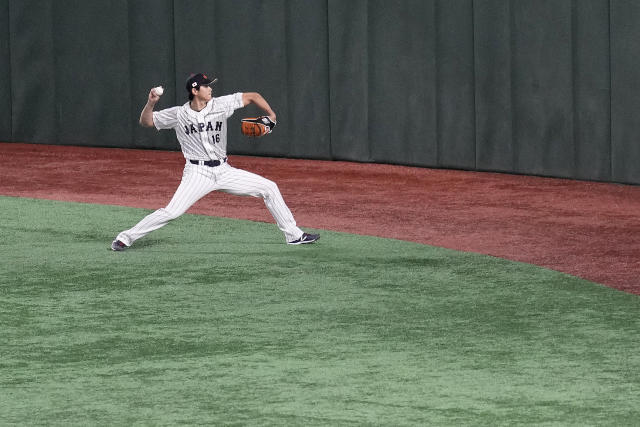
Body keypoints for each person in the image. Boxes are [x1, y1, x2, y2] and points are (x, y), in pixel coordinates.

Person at [111, 73, 319, 251]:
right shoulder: (179, 114)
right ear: (195, 90)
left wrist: (271, 115)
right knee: (172, 212)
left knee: (269, 188)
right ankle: (126, 237)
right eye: (206, 86)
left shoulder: (220, 105)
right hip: (197, 173)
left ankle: (293, 235)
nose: (210, 89)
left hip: (224, 170)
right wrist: (151, 103)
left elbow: (253, 96)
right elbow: (146, 121)